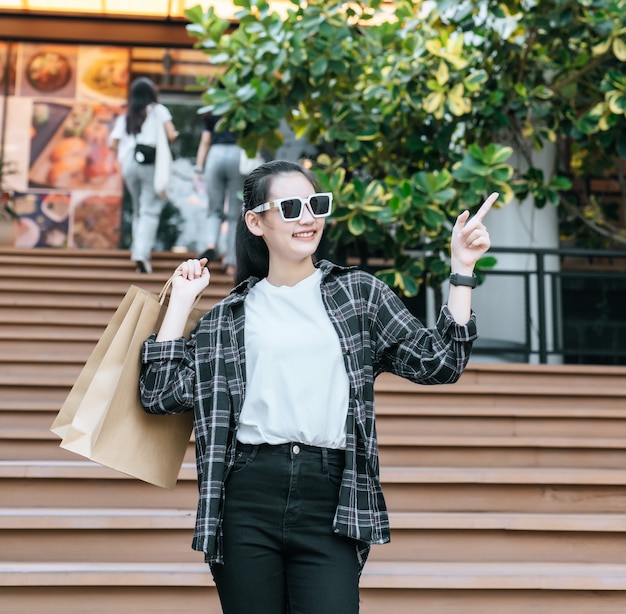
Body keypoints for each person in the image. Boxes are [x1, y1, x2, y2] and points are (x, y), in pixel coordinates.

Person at [139, 160, 496, 613]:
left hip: (331, 492)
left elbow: (440, 363)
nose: (307, 217)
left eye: (316, 204)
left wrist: (461, 269)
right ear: (255, 222)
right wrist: (181, 304)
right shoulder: (227, 319)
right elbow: (158, 393)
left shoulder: (357, 295)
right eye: (290, 207)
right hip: (247, 493)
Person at [109, 77, 178, 274]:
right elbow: (171, 134)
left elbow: (112, 143)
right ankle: (141, 253)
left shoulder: (127, 116)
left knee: (139, 209)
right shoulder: (159, 110)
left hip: (130, 162)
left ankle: (137, 249)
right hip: (150, 162)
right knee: (149, 210)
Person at [193, 111, 244, 277]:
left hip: (214, 156)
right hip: (238, 154)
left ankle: (210, 246)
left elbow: (205, 140)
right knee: (235, 215)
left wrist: (199, 169)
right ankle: (231, 263)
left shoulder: (212, 109)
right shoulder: (245, 107)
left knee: (214, 209)